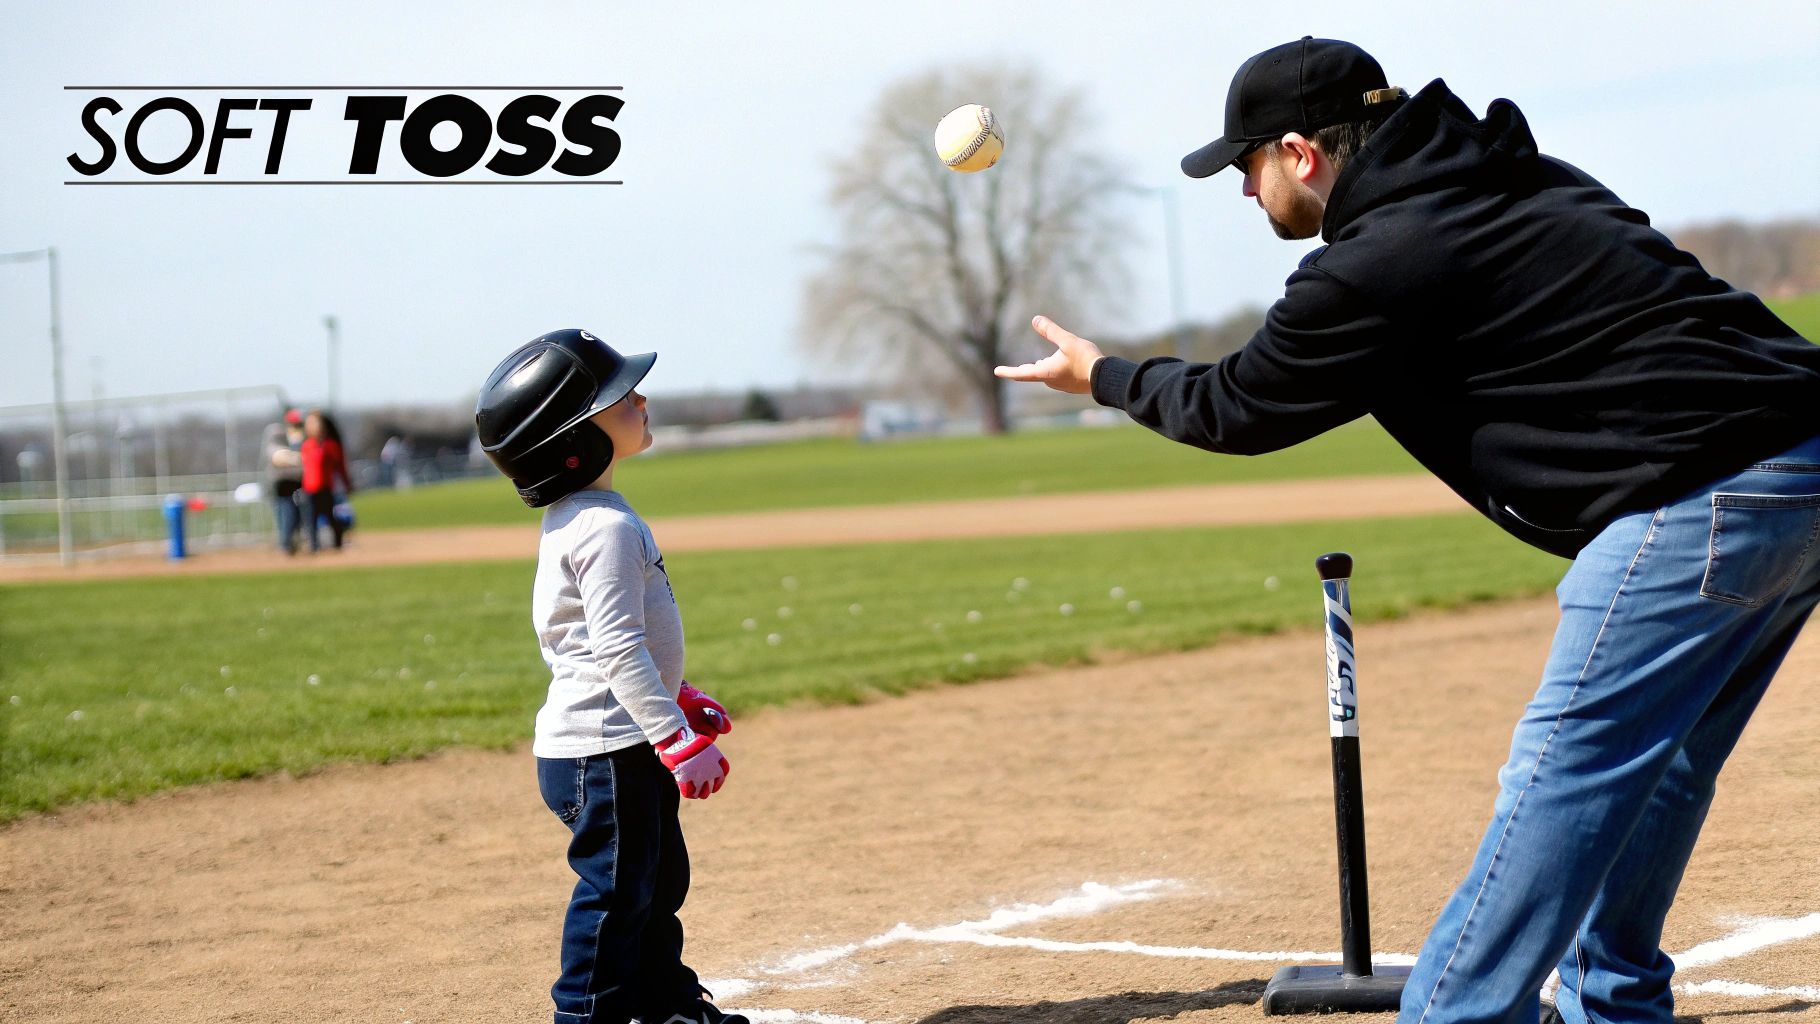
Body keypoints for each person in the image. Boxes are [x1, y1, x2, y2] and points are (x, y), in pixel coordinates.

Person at [996, 36, 1820, 1024]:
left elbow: (1236, 407)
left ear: (1300, 153)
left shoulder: (1377, 260)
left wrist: (1104, 376)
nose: (1243, 191)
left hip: (1701, 491)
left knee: (1570, 757)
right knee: (1661, 760)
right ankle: (1615, 1001)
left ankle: (1456, 1012)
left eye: (1246, 164)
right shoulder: (1512, 177)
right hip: (1799, 465)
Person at [473, 328, 745, 1024]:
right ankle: (586, 1016)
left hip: (618, 739)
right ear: (573, 439)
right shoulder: (604, 528)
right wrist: (676, 738)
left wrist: (676, 699)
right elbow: (617, 648)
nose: (641, 399)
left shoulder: (585, 519)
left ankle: (666, 1007)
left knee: (655, 885)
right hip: (606, 751)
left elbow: (586, 645)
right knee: (618, 893)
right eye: (619, 398)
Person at [300, 409, 353, 552]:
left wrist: (347, 484)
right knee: (310, 519)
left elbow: (340, 467)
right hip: (309, 488)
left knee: (330, 516)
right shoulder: (306, 445)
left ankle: (338, 542)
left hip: (325, 487)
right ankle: (313, 546)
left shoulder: (330, 446)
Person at [261, 408, 306, 555]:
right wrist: (299, 456)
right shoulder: (277, 434)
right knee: (285, 512)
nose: (295, 427)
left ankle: (290, 542)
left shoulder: (302, 438)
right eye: (293, 423)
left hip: (296, 483)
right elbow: (278, 457)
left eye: (298, 424)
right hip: (281, 484)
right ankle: (286, 544)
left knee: (294, 513)